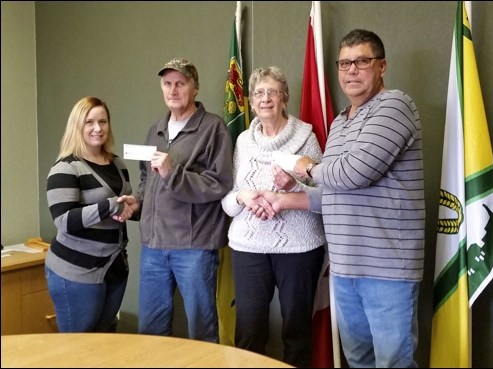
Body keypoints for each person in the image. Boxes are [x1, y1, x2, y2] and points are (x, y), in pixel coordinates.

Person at [294, 29, 426, 368]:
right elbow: (334, 193)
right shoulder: (339, 122)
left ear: (382, 66)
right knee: (358, 360)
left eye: (362, 61)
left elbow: (354, 173)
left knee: (393, 362)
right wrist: (285, 198)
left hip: (387, 271)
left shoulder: (395, 105)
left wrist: (309, 167)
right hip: (344, 267)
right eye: (344, 63)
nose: (351, 70)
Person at [117, 58, 233, 343]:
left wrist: (173, 173)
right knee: (151, 331)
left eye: (180, 83)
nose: (173, 90)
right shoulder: (155, 130)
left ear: (195, 88)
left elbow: (218, 184)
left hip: (194, 248)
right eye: (167, 84)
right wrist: (138, 203)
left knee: (201, 330)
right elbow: (147, 179)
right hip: (154, 247)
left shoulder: (213, 129)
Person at [221, 66, 326, 368]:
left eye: (272, 92)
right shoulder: (242, 141)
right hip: (248, 248)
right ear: (251, 102)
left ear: (284, 98)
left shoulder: (306, 136)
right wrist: (244, 197)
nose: (265, 98)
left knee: (296, 333)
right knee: (249, 332)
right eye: (258, 93)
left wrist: (291, 187)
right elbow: (229, 201)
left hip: (299, 249)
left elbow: (325, 197)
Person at [45, 96, 135, 332]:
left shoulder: (118, 165)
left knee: (102, 343)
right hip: (76, 272)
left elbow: (124, 207)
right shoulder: (65, 167)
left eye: (103, 122)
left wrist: (134, 207)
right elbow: (64, 220)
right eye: (90, 122)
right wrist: (110, 205)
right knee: (78, 349)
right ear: (78, 126)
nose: (98, 128)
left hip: (113, 268)